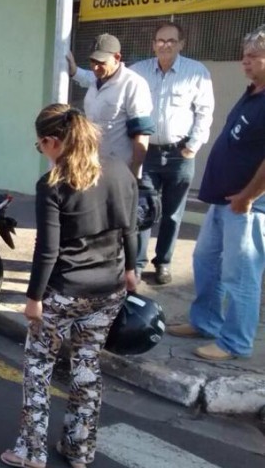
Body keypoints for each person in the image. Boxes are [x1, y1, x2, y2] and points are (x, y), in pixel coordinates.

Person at [1, 104, 138, 468]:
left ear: (52, 141)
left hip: (63, 293)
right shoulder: (119, 170)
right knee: (87, 365)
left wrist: (33, 300)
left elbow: (48, 249)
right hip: (108, 289)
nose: (41, 151)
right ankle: (78, 449)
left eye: (40, 145)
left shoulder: (53, 185)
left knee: (39, 366)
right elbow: (129, 227)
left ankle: (32, 451)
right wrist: (131, 269)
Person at [167, 25, 265, 362]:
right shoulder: (253, 92)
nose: (245, 62)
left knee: (240, 275)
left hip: (249, 203)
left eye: (253, 56)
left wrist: (248, 197)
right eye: (244, 56)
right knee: (205, 260)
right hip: (225, 199)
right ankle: (206, 321)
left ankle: (235, 342)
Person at [128, 22, 215, 285]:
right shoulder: (138, 71)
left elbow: (204, 112)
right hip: (147, 153)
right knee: (143, 209)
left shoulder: (196, 72)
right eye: (160, 41)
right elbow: (110, 78)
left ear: (181, 43)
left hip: (180, 154)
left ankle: (163, 262)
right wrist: (76, 72)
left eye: (171, 41)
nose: (165, 45)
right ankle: (139, 263)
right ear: (153, 44)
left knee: (173, 213)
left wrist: (193, 146)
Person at [68, 34, 156, 180]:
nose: (95, 67)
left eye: (101, 62)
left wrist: (134, 174)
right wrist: (73, 69)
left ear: (117, 57)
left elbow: (142, 132)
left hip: (120, 171)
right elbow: (84, 76)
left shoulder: (133, 84)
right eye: (92, 61)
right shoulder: (96, 79)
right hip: (91, 166)